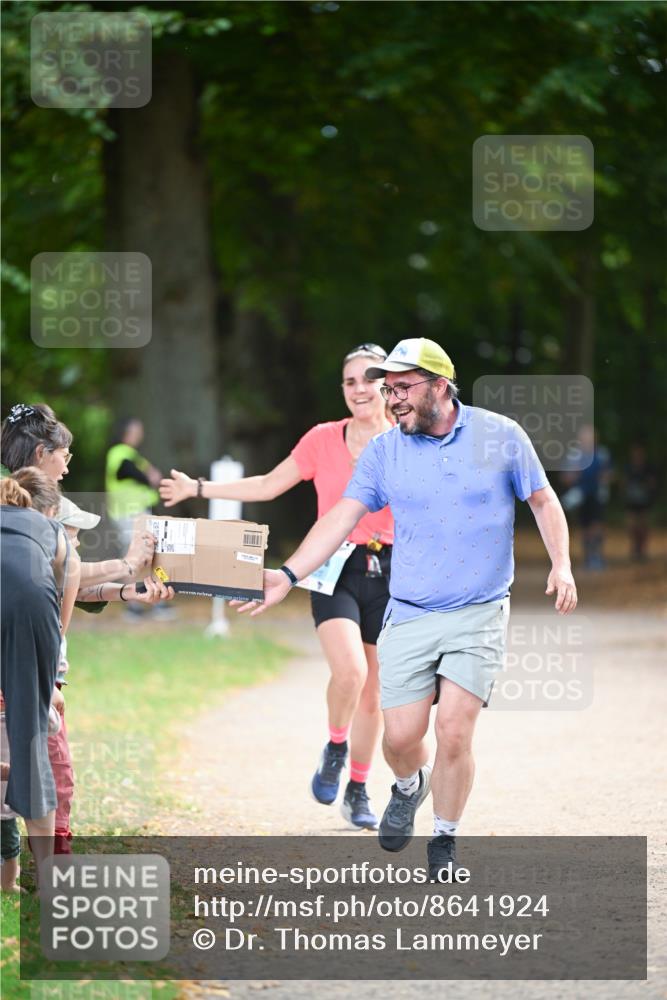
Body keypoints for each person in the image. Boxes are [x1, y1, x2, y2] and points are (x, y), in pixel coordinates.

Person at [230, 338, 577, 880]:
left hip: (479, 610)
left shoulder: (499, 436)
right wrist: (289, 573)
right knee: (400, 738)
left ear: (440, 385)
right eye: (386, 389)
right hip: (411, 612)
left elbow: (542, 499)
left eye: (402, 388)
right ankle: (408, 785)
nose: (390, 399)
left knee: (456, 732)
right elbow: (341, 517)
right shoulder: (385, 452)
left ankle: (444, 842)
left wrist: (562, 564)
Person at [160, 345, 395, 830]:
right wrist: (198, 489)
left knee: (374, 694)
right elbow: (268, 485)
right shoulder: (324, 439)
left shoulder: (408, 439)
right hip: (332, 567)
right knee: (349, 673)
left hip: (393, 571)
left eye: (369, 378)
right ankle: (335, 745)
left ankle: (358, 787)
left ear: (388, 383)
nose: (359, 389)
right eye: (349, 381)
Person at [0, 473, 80, 875]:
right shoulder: (47, 527)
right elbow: (72, 573)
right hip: (35, 610)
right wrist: (56, 640)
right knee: (31, 739)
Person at [1, 404, 156, 593]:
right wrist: (127, 564)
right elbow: (63, 573)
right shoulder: (34, 503)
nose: (66, 468)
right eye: (64, 456)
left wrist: (126, 592)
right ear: (41, 453)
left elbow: (63, 582)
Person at [561, 424, 612, 571]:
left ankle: (597, 556)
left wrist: (604, 477)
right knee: (584, 527)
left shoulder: (602, 454)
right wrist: (573, 476)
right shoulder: (574, 455)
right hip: (580, 495)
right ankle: (588, 557)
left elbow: (610, 473)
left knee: (597, 526)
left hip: (597, 495)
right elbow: (565, 477)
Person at [623, 443, 657, 562]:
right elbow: (624, 483)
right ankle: (635, 547)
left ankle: (642, 549)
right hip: (631, 501)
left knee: (643, 526)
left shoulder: (647, 468)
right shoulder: (628, 467)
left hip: (644, 501)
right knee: (632, 526)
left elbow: (652, 484)